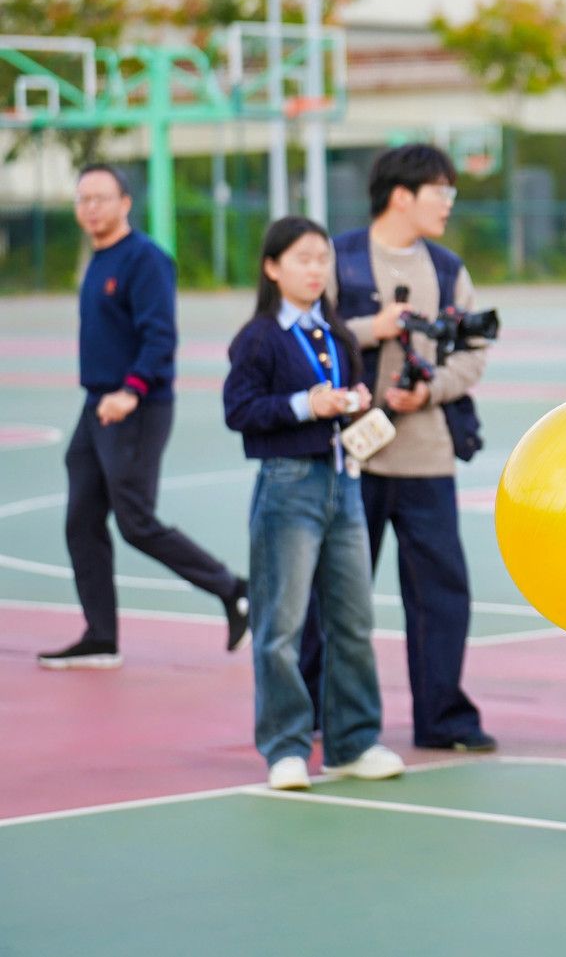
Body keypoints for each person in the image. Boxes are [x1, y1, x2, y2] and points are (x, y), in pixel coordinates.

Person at [306, 143, 495, 753]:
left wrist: (429, 390)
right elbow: (304, 335)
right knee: (334, 591)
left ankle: (443, 718)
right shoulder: (338, 259)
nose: (448, 204)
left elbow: (473, 354)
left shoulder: (448, 269)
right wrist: (373, 328)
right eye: (441, 192)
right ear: (401, 195)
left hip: (426, 458)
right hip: (350, 458)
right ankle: (313, 708)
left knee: (442, 595)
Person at [39, 164, 249, 670]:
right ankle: (101, 637)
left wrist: (131, 391)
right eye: (83, 199)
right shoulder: (98, 260)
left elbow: (160, 337)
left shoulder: (145, 259)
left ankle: (234, 590)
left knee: (135, 521)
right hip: (97, 406)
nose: (91, 208)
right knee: (82, 520)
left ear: (126, 203)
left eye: (101, 198)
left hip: (135, 407)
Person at [223, 216, 405, 790]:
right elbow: (239, 410)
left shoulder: (337, 334)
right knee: (281, 624)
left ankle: (353, 742)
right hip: (288, 484)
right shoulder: (258, 338)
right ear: (272, 268)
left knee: (353, 620)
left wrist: (353, 401)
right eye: (302, 259)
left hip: (343, 482)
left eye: (322, 259)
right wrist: (307, 404)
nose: (316, 270)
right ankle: (285, 747)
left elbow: (343, 401)